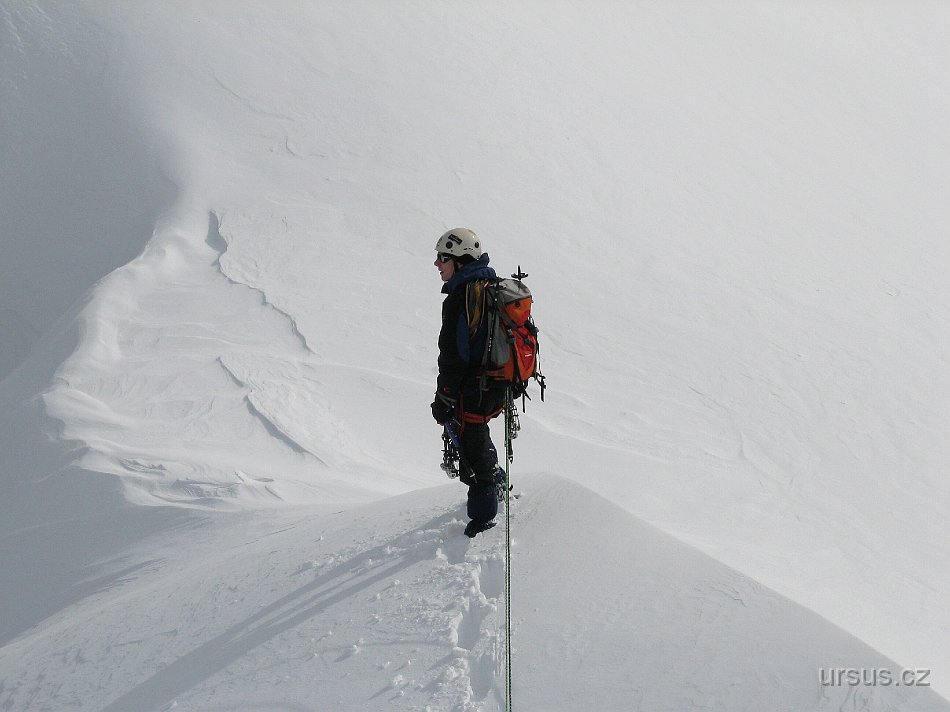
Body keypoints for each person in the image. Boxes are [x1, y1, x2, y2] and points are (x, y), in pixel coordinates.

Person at [430, 228, 508, 538]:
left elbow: (453, 357)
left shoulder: (461, 296)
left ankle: (484, 522)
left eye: (442, 258)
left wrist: (444, 399)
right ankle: (500, 484)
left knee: (473, 457)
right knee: (478, 436)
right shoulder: (492, 286)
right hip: (498, 384)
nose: (437, 264)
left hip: (471, 390)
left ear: (460, 261)